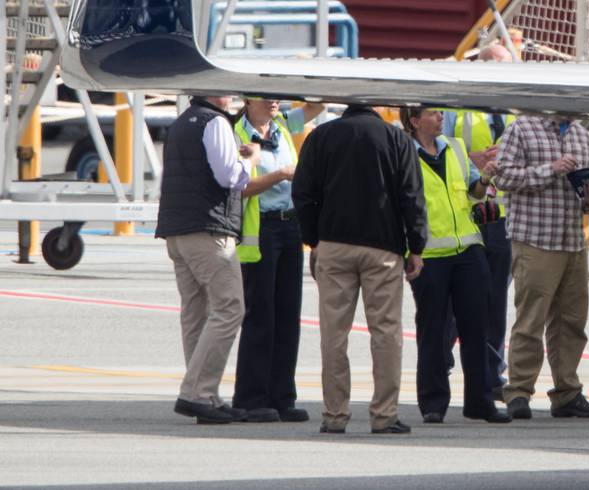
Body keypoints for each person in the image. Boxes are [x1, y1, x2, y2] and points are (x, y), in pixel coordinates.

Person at [292, 104, 428, 435]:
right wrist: (417, 246)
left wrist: (314, 240)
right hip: (382, 247)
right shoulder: (396, 138)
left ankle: (334, 415)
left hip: (334, 245)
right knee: (385, 332)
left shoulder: (321, 136)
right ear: (378, 108)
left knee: (333, 334)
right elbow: (411, 194)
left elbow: (302, 192)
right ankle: (384, 415)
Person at [491, 113, 589, 420]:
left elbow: (586, 197)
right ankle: (518, 391)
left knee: (571, 322)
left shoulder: (582, 135)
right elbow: (502, 177)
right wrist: (550, 170)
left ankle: (567, 393)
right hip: (535, 239)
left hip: (572, 240)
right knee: (531, 321)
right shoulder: (522, 128)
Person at [400, 106, 510, 425]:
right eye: (432, 114)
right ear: (415, 121)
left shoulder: (456, 148)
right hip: (430, 254)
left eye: (440, 114)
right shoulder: (405, 155)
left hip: (468, 248)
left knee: (477, 327)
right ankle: (433, 403)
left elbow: (475, 193)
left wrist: (486, 177)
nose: (440, 118)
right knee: (433, 329)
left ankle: (480, 401)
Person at [157, 94, 257, 424]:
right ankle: (196, 393)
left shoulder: (181, 123)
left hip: (176, 229)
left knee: (195, 312)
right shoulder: (215, 122)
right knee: (230, 307)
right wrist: (249, 159)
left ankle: (206, 396)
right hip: (207, 230)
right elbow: (228, 177)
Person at [231, 97, 326, 424]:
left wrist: (301, 81)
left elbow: (317, 108)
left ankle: (282, 396)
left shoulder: (283, 125)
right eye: (266, 94)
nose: (273, 100)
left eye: (276, 94)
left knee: (288, 314)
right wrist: (282, 174)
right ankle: (250, 398)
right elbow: (240, 188)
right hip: (263, 229)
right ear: (247, 99)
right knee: (260, 315)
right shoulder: (237, 133)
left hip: (289, 225)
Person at [447, 41, 519, 400]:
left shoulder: (516, 109)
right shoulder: (459, 108)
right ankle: (442, 363)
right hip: (468, 216)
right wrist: (472, 158)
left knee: (495, 302)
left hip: (504, 218)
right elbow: (437, 150)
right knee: (453, 300)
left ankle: (493, 376)